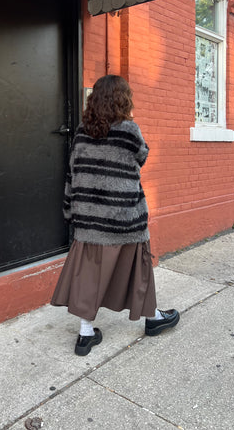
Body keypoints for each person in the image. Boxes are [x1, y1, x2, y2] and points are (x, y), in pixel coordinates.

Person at [51, 75, 179, 356]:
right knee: (138, 267)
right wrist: (129, 119)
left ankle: (86, 335)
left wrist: (69, 211)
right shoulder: (129, 130)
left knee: (89, 273)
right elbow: (142, 156)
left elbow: (71, 173)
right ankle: (153, 318)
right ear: (123, 99)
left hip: (89, 217)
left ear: (94, 100)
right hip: (124, 217)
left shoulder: (83, 131)